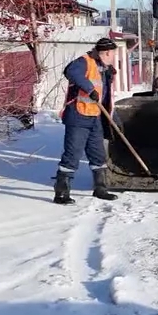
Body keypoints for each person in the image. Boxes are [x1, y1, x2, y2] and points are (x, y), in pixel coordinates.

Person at [55, 37, 118, 205]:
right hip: (78, 115)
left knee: (98, 155)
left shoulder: (103, 67)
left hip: (95, 116)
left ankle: (100, 188)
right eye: (112, 55)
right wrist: (89, 89)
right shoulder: (83, 62)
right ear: (105, 53)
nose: (113, 58)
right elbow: (71, 72)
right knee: (72, 155)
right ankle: (61, 192)